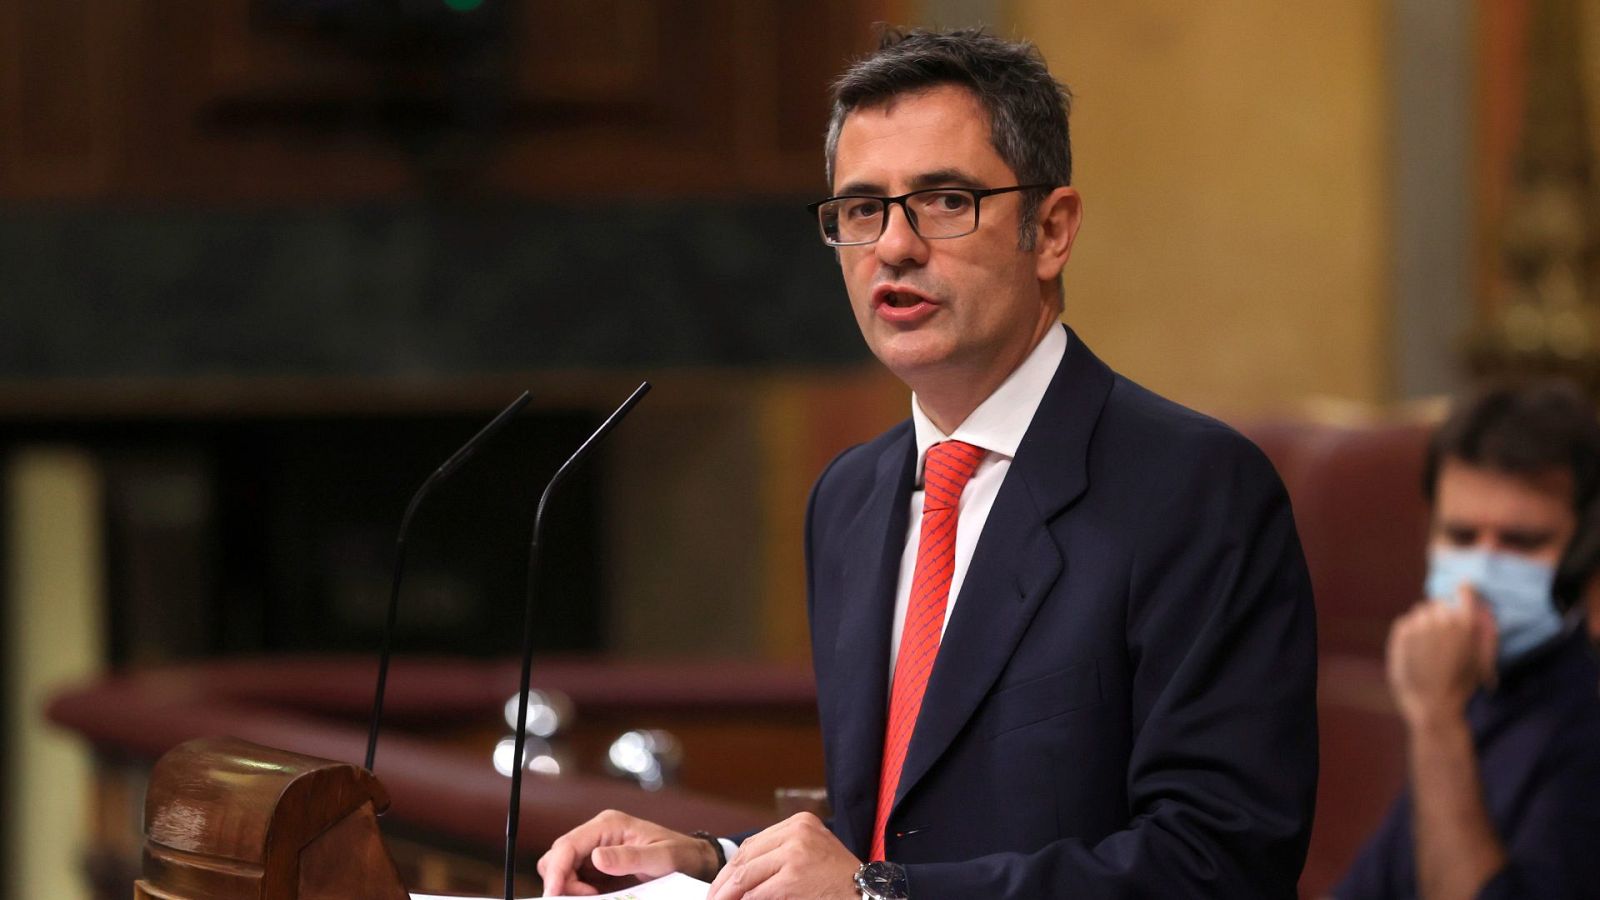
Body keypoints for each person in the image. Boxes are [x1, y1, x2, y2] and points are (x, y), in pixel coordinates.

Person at [539, 27, 1318, 899]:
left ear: (1052, 230)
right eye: (862, 209)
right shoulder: (849, 498)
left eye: (945, 200)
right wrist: (711, 860)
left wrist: (883, 895)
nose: (894, 248)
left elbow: (1219, 864)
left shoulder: (1195, 490)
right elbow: (893, 828)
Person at [1333, 383, 1600, 900]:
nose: (1478, 572)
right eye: (1460, 537)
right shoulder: (1479, 683)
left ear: (1585, 551)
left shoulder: (1582, 720)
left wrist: (1435, 718)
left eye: (1521, 542)